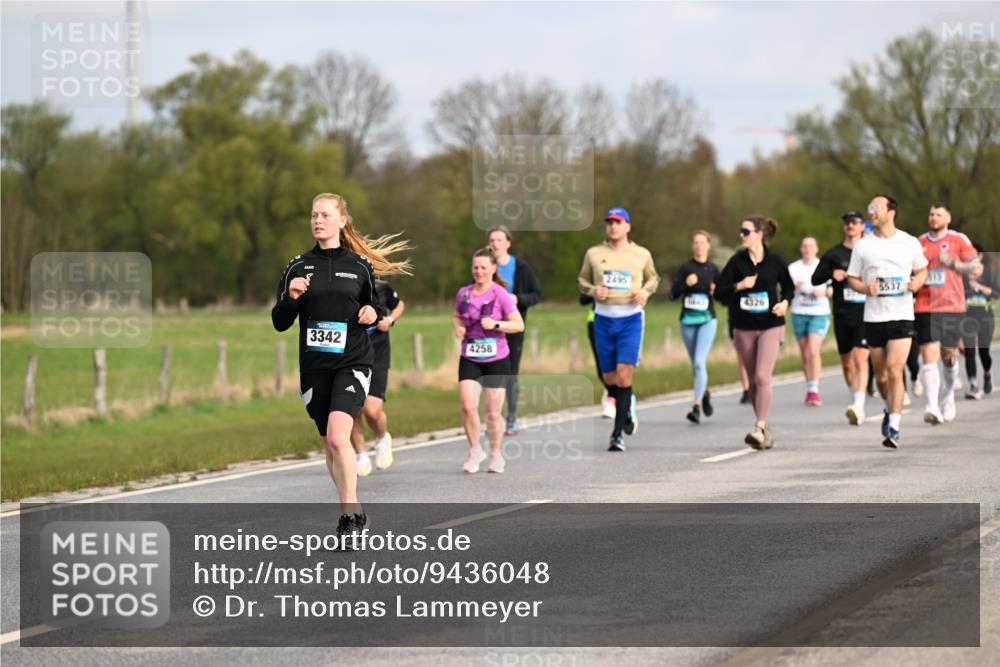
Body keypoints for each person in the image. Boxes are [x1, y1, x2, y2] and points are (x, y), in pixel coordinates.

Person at [272, 193, 411, 540]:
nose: (318, 220)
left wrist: (371, 314)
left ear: (342, 220)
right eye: (314, 215)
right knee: (330, 444)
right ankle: (355, 509)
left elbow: (374, 310)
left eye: (325, 215)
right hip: (315, 365)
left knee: (339, 436)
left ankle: (348, 514)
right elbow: (279, 322)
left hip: (353, 360)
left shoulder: (360, 265)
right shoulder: (297, 266)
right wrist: (291, 298)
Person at [846, 194, 928, 449]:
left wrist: (917, 282)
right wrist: (865, 289)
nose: (871, 212)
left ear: (891, 212)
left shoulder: (909, 242)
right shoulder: (863, 246)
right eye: (870, 208)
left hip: (902, 315)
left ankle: (894, 426)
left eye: (876, 208)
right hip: (874, 317)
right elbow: (852, 278)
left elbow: (922, 269)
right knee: (881, 377)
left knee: (895, 370)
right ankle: (887, 407)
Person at [577, 207, 659, 452]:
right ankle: (628, 404)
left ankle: (617, 434)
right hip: (603, 319)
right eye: (609, 222)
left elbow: (654, 279)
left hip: (631, 319)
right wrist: (593, 291)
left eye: (618, 222)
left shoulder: (641, 254)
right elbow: (581, 281)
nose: (613, 226)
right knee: (609, 378)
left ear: (628, 226)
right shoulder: (594, 253)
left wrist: (645, 292)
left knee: (624, 375)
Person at [715, 216, 794, 449]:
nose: (742, 235)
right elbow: (719, 293)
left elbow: (789, 287)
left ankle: (759, 427)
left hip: (771, 324)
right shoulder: (736, 262)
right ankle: (764, 426)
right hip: (744, 327)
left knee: (762, 377)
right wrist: (739, 286)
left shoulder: (776, 261)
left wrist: (785, 303)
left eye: (745, 231)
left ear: (759, 234)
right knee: (752, 383)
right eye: (741, 231)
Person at [454, 248, 525, 474]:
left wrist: (496, 325)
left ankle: (496, 453)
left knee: (493, 412)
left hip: (497, 358)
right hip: (470, 356)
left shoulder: (500, 294)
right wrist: (458, 327)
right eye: (475, 267)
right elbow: (457, 315)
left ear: (493, 269)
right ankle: (475, 450)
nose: (479, 271)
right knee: (467, 405)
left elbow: (518, 324)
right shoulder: (464, 293)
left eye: (484, 267)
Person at [914, 203, 980, 423]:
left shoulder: (958, 239)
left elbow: (976, 267)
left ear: (948, 218)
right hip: (924, 305)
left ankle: (949, 393)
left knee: (949, 356)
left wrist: (953, 263)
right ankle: (932, 406)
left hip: (952, 306)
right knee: (929, 354)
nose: (933, 218)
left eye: (938, 214)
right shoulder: (919, 242)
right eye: (931, 214)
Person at [813, 211, 870, 423]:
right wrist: (831, 274)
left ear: (862, 226)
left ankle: (859, 405)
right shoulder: (833, 254)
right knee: (847, 363)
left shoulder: (870, 250)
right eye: (847, 222)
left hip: (865, 312)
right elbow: (816, 278)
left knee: (860, 358)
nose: (850, 226)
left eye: (854, 222)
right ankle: (855, 394)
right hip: (842, 312)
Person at [486, 226, 543, 436]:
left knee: (510, 373)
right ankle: (494, 416)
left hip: (512, 328)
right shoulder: (485, 266)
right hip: (488, 329)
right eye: (492, 240)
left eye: (499, 240)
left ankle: (511, 417)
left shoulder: (521, 267)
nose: (495, 244)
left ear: (508, 243)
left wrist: (517, 299)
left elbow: (537, 294)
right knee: (492, 373)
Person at [351, 280, 405, 476]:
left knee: (372, 410)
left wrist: (390, 321)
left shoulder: (382, 286)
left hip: (377, 355)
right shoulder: (344, 284)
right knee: (353, 408)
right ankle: (361, 455)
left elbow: (399, 305)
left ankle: (382, 438)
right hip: (350, 356)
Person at [669, 230, 720, 424]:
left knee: (699, 362)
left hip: (707, 320)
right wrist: (684, 284)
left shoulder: (714, 270)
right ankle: (704, 392)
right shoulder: (685, 268)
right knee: (696, 365)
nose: (699, 246)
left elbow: (724, 296)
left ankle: (696, 407)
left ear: (708, 245)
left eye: (702, 242)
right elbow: (672, 295)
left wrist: (716, 292)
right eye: (696, 243)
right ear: (693, 246)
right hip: (687, 321)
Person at [789, 236, 832, 406]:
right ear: (801, 249)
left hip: (819, 313)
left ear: (816, 248)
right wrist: (795, 288)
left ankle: (815, 390)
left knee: (813, 350)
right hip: (799, 312)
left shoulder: (823, 266)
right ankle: (809, 388)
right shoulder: (793, 268)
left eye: (811, 246)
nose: (808, 249)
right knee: (805, 354)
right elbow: (785, 290)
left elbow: (832, 288)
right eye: (805, 246)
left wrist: (825, 292)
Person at [961, 243, 995, 399]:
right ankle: (973, 384)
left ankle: (987, 373)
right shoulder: (961, 275)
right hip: (967, 317)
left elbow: (996, 293)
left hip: (985, 317)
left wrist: (980, 287)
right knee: (969, 350)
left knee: (983, 351)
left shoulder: (988, 274)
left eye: (973, 254)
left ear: (980, 256)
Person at [580, 294, 619, 418]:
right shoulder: (596, 276)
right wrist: (596, 292)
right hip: (596, 321)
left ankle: (614, 399)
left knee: (621, 364)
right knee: (603, 368)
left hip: (622, 321)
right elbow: (583, 299)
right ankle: (613, 394)